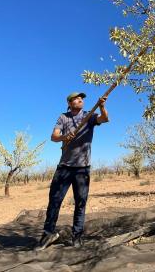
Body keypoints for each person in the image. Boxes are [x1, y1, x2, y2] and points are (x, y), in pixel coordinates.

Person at [36, 92, 109, 250]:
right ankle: (48, 234)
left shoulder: (89, 115)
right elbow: (54, 136)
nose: (80, 100)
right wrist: (64, 136)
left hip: (82, 168)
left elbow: (104, 119)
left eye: (81, 98)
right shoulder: (63, 117)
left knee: (80, 203)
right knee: (54, 201)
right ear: (69, 103)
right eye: (76, 98)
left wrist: (102, 107)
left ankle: (77, 236)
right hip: (64, 167)